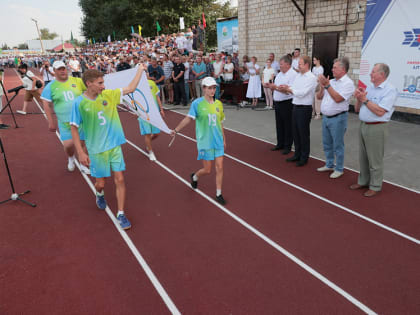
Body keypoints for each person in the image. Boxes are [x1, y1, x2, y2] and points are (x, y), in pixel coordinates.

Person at [70, 65, 146, 230]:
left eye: (103, 82)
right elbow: (74, 128)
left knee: (120, 179)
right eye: (100, 83)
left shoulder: (109, 95)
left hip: (114, 146)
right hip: (96, 150)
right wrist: (81, 152)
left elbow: (131, 88)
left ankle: (121, 213)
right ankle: (99, 193)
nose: (103, 86)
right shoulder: (79, 103)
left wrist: (140, 69)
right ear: (89, 83)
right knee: (101, 183)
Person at [171, 77, 227, 205]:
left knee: (220, 167)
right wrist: (176, 130)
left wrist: (224, 138)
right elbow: (188, 119)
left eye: (214, 88)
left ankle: (219, 193)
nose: (212, 90)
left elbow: (221, 122)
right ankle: (195, 177)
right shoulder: (197, 103)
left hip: (217, 140)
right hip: (205, 141)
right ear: (203, 89)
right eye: (209, 88)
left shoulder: (218, 104)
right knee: (207, 170)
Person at [351, 63, 397, 197]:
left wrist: (364, 100)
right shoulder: (370, 88)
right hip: (364, 125)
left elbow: (380, 111)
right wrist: (359, 98)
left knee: (375, 159)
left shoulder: (390, 90)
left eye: (373, 72)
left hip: (377, 127)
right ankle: (363, 181)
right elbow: (357, 109)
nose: (370, 74)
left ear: (382, 75)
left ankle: (375, 186)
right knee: (363, 157)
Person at [41, 60, 90, 175]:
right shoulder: (50, 87)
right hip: (65, 122)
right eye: (59, 69)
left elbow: (90, 90)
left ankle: (84, 165)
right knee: (68, 145)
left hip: (81, 120)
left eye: (63, 68)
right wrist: (50, 122)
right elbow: (46, 105)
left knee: (82, 144)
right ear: (54, 71)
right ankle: (71, 157)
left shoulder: (77, 81)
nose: (63, 71)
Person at [316, 57, 355, 179]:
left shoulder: (348, 83)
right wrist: (323, 86)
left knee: (338, 145)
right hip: (326, 118)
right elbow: (319, 97)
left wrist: (327, 86)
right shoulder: (331, 82)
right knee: (327, 143)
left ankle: (339, 168)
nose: (332, 70)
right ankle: (329, 164)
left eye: (335, 67)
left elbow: (338, 99)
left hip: (338, 118)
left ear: (343, 69)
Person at [279, 55, 317, 166]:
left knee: (303, 133)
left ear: (306, 65)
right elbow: (293, 89)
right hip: (295, 106)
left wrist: (289, 89)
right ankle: (297, 154)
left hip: (304, 108)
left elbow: (302, 92)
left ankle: (304, 157)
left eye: (300, 64)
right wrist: (287, 88)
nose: (298, 66)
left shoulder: (311, 77)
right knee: (295, 132)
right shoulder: (298, 76)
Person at [269, 55, 297, 154]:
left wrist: (275, 87)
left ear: (288, 64)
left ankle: (287, 146)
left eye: (281, 64)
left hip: (287, 103)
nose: (279, 66)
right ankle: (280, 143)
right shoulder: (280, 74)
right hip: (278, 102)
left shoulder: (293, 74)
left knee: (288, 125)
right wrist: (273, 87)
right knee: (279, 124)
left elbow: (288, 91)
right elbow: (278, 88)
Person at [139, 79, 165, 161]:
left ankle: (148, 144)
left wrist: (161, 109)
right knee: (147, 133)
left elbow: (157, 97)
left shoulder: (152, 83)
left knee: (157, 134)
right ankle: (151, 152)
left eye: (145, 71)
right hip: (143, 113)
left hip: (154, 112)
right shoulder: (136, 85)